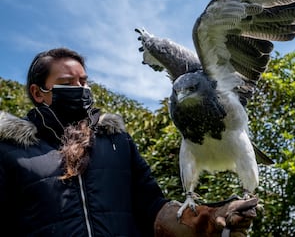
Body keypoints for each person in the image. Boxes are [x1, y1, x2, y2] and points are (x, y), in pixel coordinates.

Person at [0, 47, 258, 236]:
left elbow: (154, 210)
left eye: (83, 81)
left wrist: (205, 220)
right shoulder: (10, 151)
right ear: (38, 93)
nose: (80, 89)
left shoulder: (116, 142)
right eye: (67, 83)